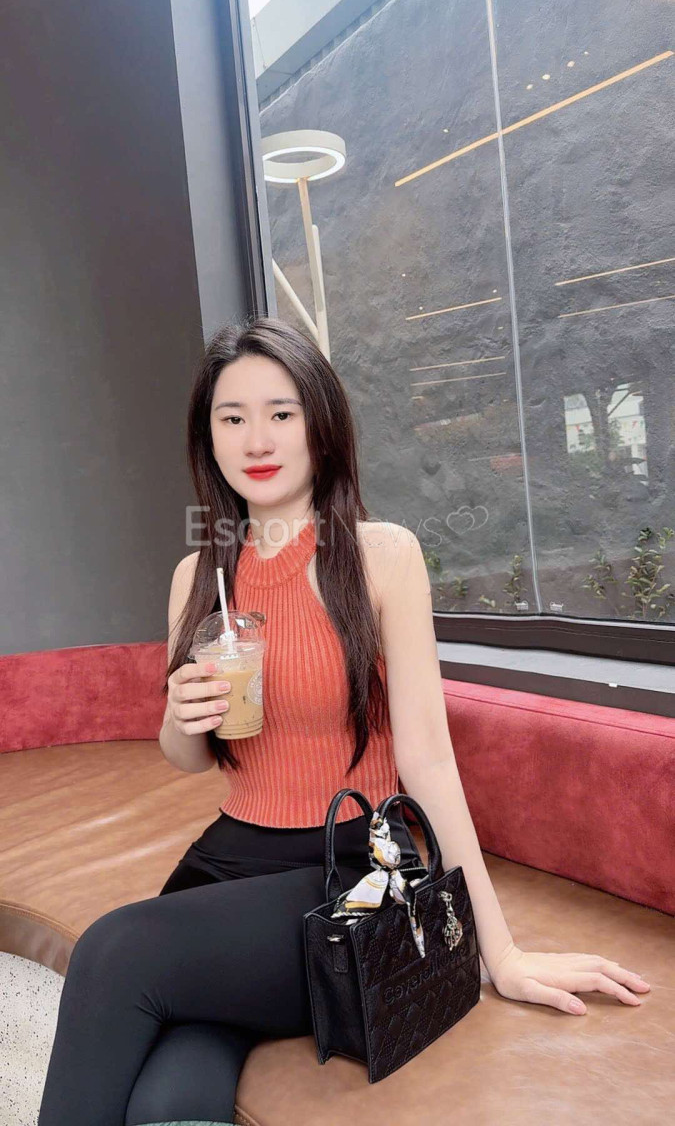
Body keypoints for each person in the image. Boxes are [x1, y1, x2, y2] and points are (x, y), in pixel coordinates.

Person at [37, 317, 650, 1126]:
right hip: (227, 861)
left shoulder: (381, 555)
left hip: (350, 868)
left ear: (320, 425)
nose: (257, 438)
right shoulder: (197, 574)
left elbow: (428, 760)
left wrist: (493, 948)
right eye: (232, 417)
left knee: (114, 952)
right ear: (208, 438)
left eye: (280, 413)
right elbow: (189, 757)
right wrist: (181, 716)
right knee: (170, 1088)